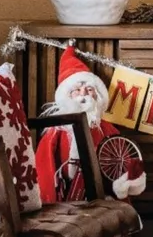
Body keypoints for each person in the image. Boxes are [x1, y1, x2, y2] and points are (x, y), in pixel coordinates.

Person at [34, 44, 146, 203]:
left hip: (100, 195)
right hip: (63, 195)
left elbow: (122, 163)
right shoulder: (55, 131)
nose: (83, 95)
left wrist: (126, 181)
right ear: (67, 96)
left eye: (89, 89)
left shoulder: (107, 130)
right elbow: (44, 164)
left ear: (97, 96)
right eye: (77, 90)